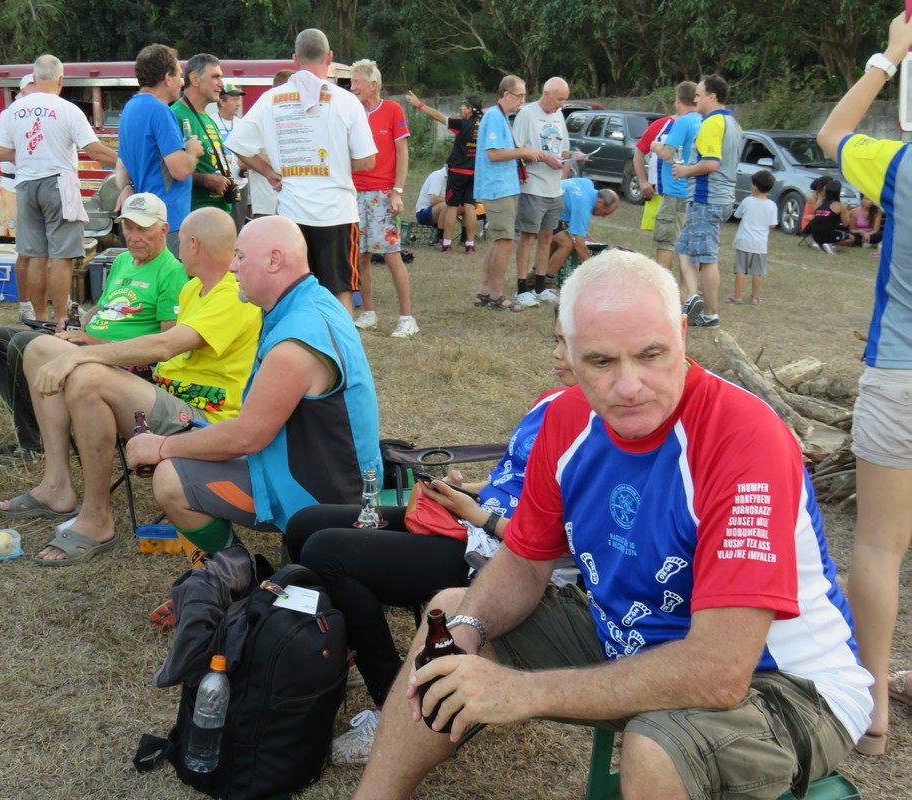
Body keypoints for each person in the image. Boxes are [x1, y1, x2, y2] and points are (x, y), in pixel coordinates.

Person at [353, 249, 871, 800]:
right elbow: (524, 562)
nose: (629, 386)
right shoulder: (566, 418)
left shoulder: (742, 439)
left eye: (651, 355)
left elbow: (719, 672)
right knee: (451, 616)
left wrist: (523, 692)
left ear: (682, 334)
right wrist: (467, 631)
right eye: (601, 362)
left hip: (785, 683)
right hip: (632, 641)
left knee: (657, 747)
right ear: (568, 353)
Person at [284, 311, 579, 766]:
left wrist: (476, 513)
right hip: (472, 522)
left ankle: (393, 705)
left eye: (568, 343)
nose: (556, 354)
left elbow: (560, 542)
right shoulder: (555, 399)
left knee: (328, 553)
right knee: (305, 524)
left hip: (504, 559)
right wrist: (461, 490)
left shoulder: (602, 428)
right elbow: (514, 479)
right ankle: (340, 648)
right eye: (555, 339)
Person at [0, 207, 260, 566]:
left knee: (88, 377)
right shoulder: (195, 288)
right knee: (39, 350)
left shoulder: (232, 295)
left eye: (180, 242)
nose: (177, 249)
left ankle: (97, 518)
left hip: (203, 418)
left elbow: (166, 346)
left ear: (194, 244)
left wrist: (81, 355)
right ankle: (57, 485)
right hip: (164, 396)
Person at [126, 215, 382, 556]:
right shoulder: (313, 301)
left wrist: (160, 447)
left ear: (274, 260)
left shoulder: (295, 341)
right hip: (336, 476)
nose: (232, 266)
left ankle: (235, 576)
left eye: (241, 256)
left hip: (325, 499)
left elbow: (247, 437)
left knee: (170, 478)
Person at [817, 8, 912, 756]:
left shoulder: (899, 166)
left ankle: (872, 705)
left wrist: (888, 55)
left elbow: (831, 134)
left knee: (879, 545)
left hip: (900, 376)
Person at [0, 193, 187, 465]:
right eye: (128, 227)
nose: (134, 237)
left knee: (23, 345)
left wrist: (93, 342)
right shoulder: (123, 260)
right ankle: (36, 431)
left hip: (114, 361)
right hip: (83, 343)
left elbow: (164, 346)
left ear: (164, 229)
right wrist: (79, 322)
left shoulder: (172, 272)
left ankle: (32, 446)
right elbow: (104, 305)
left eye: (143, 229)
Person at [227, 29, 377, 314]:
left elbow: (237, 143)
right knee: (339, 292)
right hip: (337, 213)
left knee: (289, 292)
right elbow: (367, 160)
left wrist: (268, 171)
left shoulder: (272, 99)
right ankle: (338, 343)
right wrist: (337, 162)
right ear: (329, 58)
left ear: (295, 59)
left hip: (291, 215)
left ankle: (289, 340)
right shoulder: (346, 101)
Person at [0, 54, 118, 329]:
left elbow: (0, 152)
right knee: (62, 256)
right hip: (59, 184)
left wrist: (27, 155)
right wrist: (125, 162)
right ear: (61, 80)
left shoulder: (12, 111)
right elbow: (94, 151)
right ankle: (61, 319)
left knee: (36, 255)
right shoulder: (67, 109)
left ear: (34, 78)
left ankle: (40, 319)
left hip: (25, 185)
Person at [349, 59, 418, 339]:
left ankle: (407, 318)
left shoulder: (392, 110)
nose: (352, 87)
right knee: (360, 256)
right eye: (351, 83)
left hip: (382, 193)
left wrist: (396, 191)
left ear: (373, 84)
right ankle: (369, 312)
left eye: (357, 82)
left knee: (391, 255)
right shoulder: (351, 112)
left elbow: (402, 153)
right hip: (354, 193)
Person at [117, 43, 204, 258]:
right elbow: (180, 170)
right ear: (167, 77)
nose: (182, 82)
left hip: (142, 215)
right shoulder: (160, 111)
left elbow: (121, 166)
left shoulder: (129, 108)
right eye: (179, 75)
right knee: (170, 276)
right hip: (167, 218)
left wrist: (127, 188)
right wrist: (192, 151)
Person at [472, 75, 546, 312]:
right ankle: (496, 295)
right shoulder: (495, 116)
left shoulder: (501, 117)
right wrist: (523, 152)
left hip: (504, 186)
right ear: (506, 94)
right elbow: (493, 153)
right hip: (497, 187)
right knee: (505, 241)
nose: (522, 101)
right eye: (519, 96)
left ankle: (485, 291)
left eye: (524, 96)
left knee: (499, 240)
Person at [672, 74, 741, 328]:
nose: (695, 100)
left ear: (712, 97)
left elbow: (711, 163)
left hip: (707, 198)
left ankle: (710, 314)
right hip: (720, 196)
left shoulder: (712, 123)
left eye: (699, 95)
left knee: (706, 256)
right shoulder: (732, 123)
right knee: (683, 249)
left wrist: (685, 171)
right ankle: (692, 298)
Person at [512, 76, 574, 307]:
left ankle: (540, 286)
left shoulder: (559, 116)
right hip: (533, 186)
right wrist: (543, 158)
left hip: (554, 188)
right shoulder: (527, 114)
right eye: (559, 99)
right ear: (546, 94)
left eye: (565, 100)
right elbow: (517, 150)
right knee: (529, 237)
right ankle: (522, 288)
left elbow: (564, 149)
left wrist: (573, 156)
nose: (562, 104)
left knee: (547, 237)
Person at [0, 73, 47, 323]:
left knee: (50, 248)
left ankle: (57, 301)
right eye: (31, 88)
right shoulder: (10, 114)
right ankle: (25, 304)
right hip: (17, 185)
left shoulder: (45, 113)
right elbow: (1, 152)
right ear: (23, 90)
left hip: (42, 184)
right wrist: (32, 159)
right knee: (26, 248)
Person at [406, 91, 483, 254]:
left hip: (457, 170)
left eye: (463, 105)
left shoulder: (462, 124)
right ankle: (469, 245)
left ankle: (446, 243)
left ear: (469, 109)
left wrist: (420, 105)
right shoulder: (485, 125)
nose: (461, 108)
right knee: (470, 207)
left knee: (452, 206)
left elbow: (438, 116)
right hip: (475, 171)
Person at [170, 54, 235, 216]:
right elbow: (166, 170)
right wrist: (205, 180)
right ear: (195, 79)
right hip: (194, 214)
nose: (222, 84)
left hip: (218, 211)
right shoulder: (175, 115)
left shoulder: (208, 118)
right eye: (215, 77)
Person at [649, 81, 701, 271]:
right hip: (694, 191)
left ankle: (664, 284)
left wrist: (655, 146)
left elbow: (667, 153)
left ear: (678, 99)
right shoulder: (702, 121)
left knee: (666, 241)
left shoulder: (683, 122)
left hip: (676, 191)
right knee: (688, 246)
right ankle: (687, 286)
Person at [545, 177, 619, 279]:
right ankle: (546, 280)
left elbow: (579, 228)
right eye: (605, 213)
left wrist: (592, 242)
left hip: (544, 202)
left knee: (558, 239)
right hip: (544, 210)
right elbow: (579, 246)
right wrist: (594, 272)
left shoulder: (587, 183)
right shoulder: (584, 206)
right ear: (600, 202)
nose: (603, 217)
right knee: (566, 244)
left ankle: (537, 272)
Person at [249, 69, 294, 219]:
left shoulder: (292, 120)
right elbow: (241, 155)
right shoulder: (261, 118)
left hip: (290, 203)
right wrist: (275, 163)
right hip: (266, 203)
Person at [728, 169, 778, 305]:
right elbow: (773, 224)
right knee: (757, 272)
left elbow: (737, 215)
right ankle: (754, 298)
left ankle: (737, 297)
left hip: (743, 241)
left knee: (740, 269)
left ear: (755, 187)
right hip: (759, 244)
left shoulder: (747, 201)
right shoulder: (772, 205)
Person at [206, 82, 249, 230]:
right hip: (219, 185)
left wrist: (248, 166)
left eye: (238, 100)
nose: (238, 104)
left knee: (237, 227)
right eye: (234, 100)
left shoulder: (243, 124)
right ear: (222, 101)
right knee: (218, 227)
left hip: (240, 184)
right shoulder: (210, 122)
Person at [805, 179, 853, 253]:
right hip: (828, 234)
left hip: (815, 235)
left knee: (826, 230)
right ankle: (830, 244)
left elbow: (818, 215)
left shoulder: (820, 201)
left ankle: (820, 244)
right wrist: (847, 214)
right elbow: (846, 224)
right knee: (851, 238)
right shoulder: (839, 205)